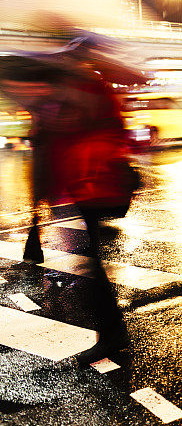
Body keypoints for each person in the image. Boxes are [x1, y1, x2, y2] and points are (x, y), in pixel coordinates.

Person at [1, 69, 136, 366]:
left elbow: (80, 135)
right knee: (92, 263)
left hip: (94, 183)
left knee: (93, 266)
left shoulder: (78, 89)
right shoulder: (72, 90)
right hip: (85, 185)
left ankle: (112, 332)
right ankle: (112, 331)